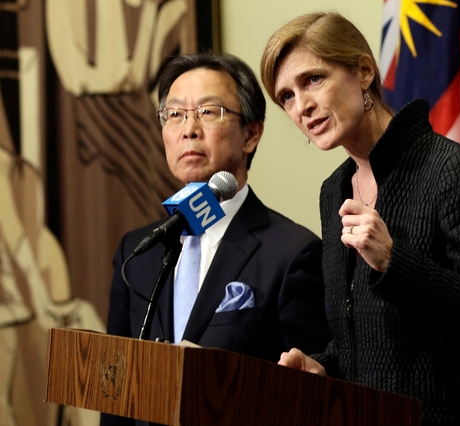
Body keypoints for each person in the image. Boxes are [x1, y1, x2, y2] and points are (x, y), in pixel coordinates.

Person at [260, 12, 460, 426]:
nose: (302, 106)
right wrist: (326, 368)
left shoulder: (453, 171)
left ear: (364, 71)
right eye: (287, 97)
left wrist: (394, 261)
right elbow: (371, 338)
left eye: (313, 79)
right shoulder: (335, 189)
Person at [103, 53, 331, 425]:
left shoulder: (291, 253)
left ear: (251, 134)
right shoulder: (137, 251)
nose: (188, 129)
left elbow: (309, 397)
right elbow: (115, 392)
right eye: (174, 114)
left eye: (209, 112)